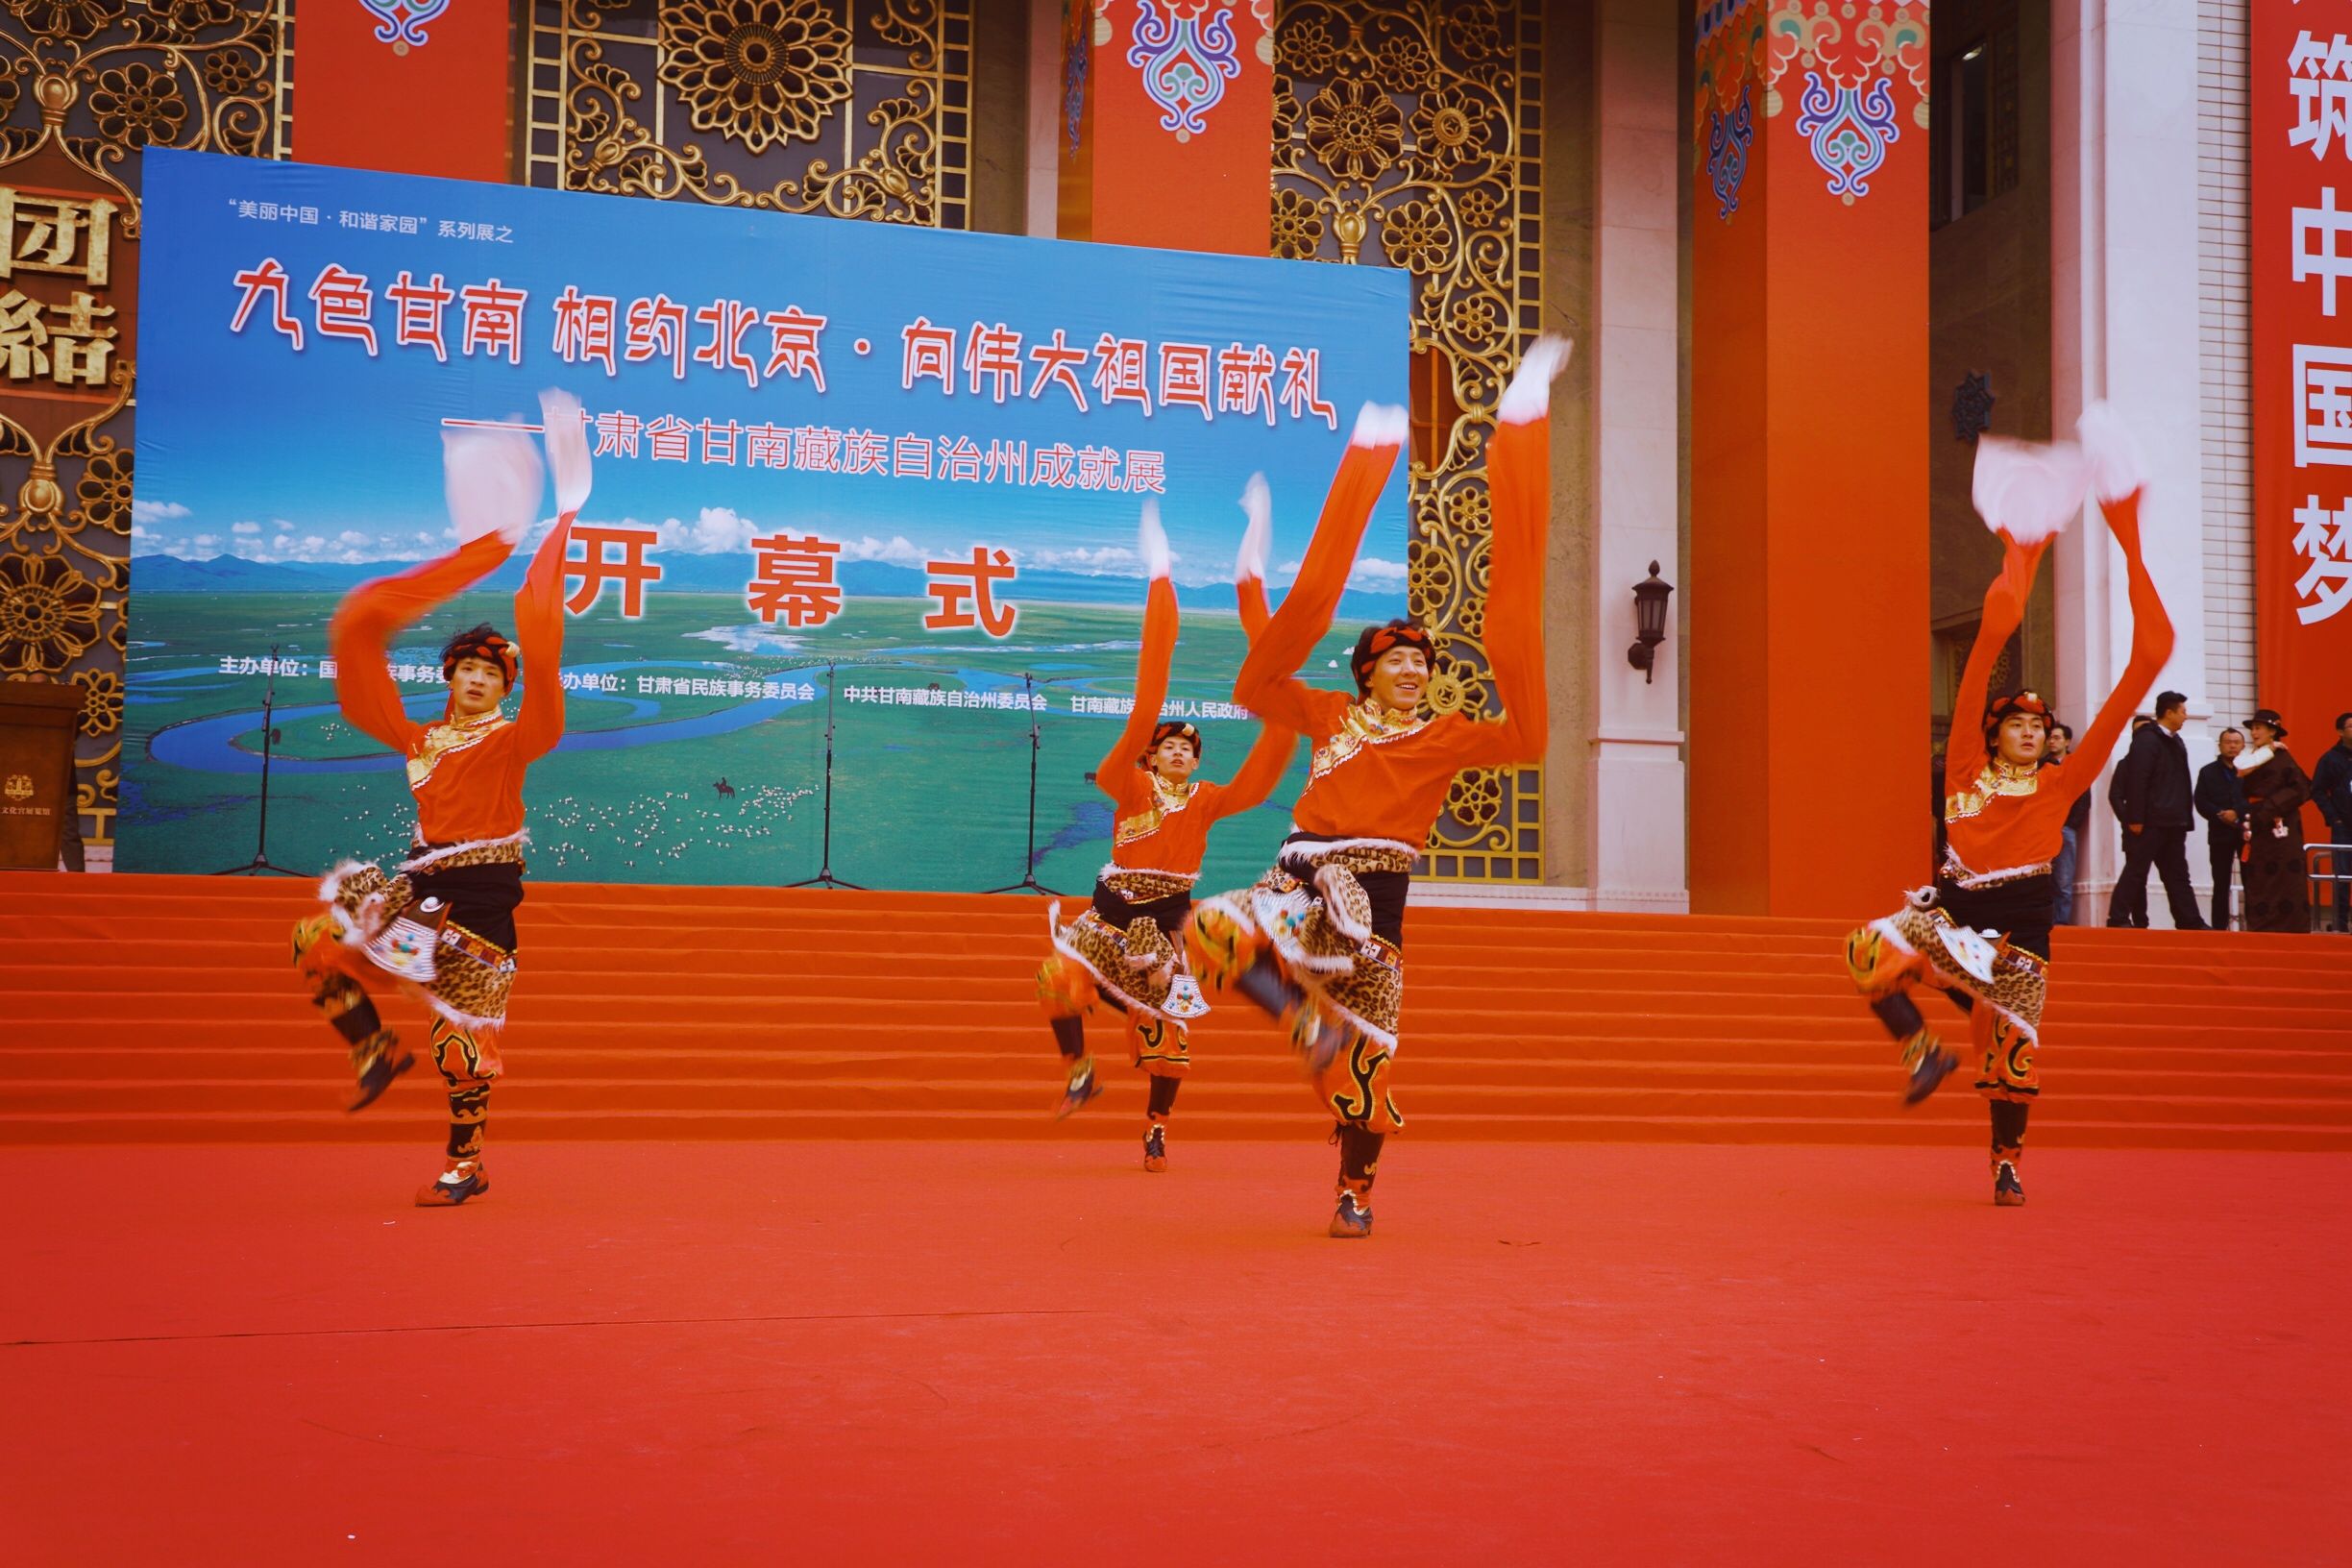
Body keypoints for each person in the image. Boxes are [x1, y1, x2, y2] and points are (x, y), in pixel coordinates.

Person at [1187, 335, 1568, 1238]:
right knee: (1208, 928)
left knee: (1368, 1069)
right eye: (1396, 661)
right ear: (1365, 673)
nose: (1412, 671)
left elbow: (1526, 740)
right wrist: (1281, 556)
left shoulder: (1445, 736)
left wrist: (1516, 635)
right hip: (1297, 881)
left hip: (1377, 901)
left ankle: (1353, 1191)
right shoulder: (1327, 715)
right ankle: (1299, 1022)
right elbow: (1257, 680)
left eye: (1421, 663)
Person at [1843, 406, 2172, 1206]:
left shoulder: (2063, 780)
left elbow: (2137, 676)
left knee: (2011, 1055)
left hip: (2020, 941)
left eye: (2039, 726)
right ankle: (1923, 1053)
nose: (2030, 732)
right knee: (1866, 949)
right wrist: (2018, 556)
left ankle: (2005, 1161)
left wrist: (2129, 544)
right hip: (1954, 918)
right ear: (1994, 733)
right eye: (2017, 725)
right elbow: (1986, 647)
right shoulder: (1963, 766)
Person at [288, 392, 589, 1208]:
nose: (479, 680)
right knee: (315, 944)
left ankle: (466, 1162)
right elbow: (361, 638)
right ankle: (373, 1050)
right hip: (421, 888)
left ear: (504, 688)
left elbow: (542, 642)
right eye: (468, 670)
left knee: (461, 1043)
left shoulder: (516, 739)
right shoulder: (417, 737)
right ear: (450, 679)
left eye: (493, 673)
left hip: (483, 898)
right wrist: (475, 556)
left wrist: (559, 528)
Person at [1037, 494, 1296, 1172]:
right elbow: (1141, 712)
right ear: (1150, 757)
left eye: (1189, 747)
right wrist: (1159, 589)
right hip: (1110, 916)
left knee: (1167, 1037)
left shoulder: (1207, 801)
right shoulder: (1129, 787)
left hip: (1166, 924)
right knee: (1057, 977)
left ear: (1197, 762)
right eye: (1168, 746)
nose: (1180, 751)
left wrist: (1281, 712)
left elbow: (1263, 775)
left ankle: (1156, 1125)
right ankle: (1080, 1072)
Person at [2109, 691, 2209, 929]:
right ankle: (2118, 918)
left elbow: (2181, 783)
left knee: (2178, 875)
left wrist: (2185, 818)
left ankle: (2189, 920)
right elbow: (2138, 780)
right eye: (2183, 711)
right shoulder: (2147, 740)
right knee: (2136, 871)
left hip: (2174, 822)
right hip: (2150, 821)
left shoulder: (2176, 741)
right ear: (2169, 713)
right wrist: (2135, 818)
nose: (2186, 716)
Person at [2237, 709, 2312, 933]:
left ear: (2272, 732)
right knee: (2258, 875)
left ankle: (2290, 927)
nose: (2254, 732)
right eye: (2253, 728)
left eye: (2259, 728)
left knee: (2284, 876)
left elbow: (2302, 788)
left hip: (2280, 825)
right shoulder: (2251, 758)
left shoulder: (2283, 758)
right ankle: (2260, 925)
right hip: (2257, 824)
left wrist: (2270, 808)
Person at [2194, 727, 2249, 930]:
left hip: (2247, 832)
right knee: (2220, 884)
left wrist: (2237, 812)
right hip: (2220, 833)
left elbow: (2256, 798)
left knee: (2252, 882)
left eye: (2236, 742)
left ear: (2243, 746)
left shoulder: (2251, 770)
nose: (2232, 746)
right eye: (2228, 742)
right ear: (2220, 745)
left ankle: (2254, 927)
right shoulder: (2207, 771)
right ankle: (2219, 929)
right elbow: (2200, 801)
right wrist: (2220, 814)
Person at [2104, 715, 2155, 927]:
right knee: (2136, 875)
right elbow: (2115, 795)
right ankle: (2138, 920)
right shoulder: (2125, 764)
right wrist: (2129, 821)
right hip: (2135, 830)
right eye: (2137, 731)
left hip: (2158, 827)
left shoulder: (2160, 762)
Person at [2311, 711, 2352, 932]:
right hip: (2343, 825)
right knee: (2342, 876)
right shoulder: (2330, 759)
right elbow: (2317, 790)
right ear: (2340, 731)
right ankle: (2340, 923)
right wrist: (2333, 818)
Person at [2046, 723, 2088, 925]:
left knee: (2064, 879)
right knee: (2043, 878)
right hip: (2043, 829)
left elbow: (2083, 797)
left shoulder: (2076, 766)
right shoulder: (2040, 766)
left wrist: (2071, 824)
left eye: (2056, 738)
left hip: (2066, 828)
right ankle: (2045, 921)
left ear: (2067, 741)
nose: (2052, 741)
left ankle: (2061, 923)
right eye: (2050, 738)